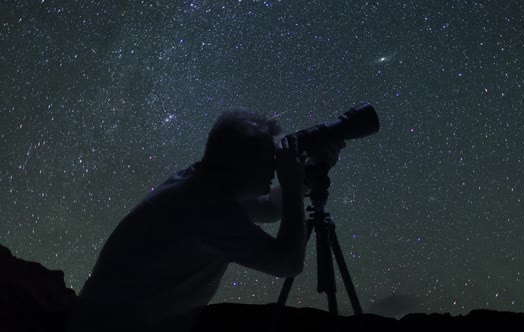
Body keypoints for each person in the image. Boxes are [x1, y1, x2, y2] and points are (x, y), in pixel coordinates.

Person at [66, 110, 344, 332]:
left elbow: (269, 207)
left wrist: (306, 175)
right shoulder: (207, 208)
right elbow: (288, 263)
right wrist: (294, 187)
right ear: (240, 164)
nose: (274, 166)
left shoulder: (203, 184)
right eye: (266, 159)